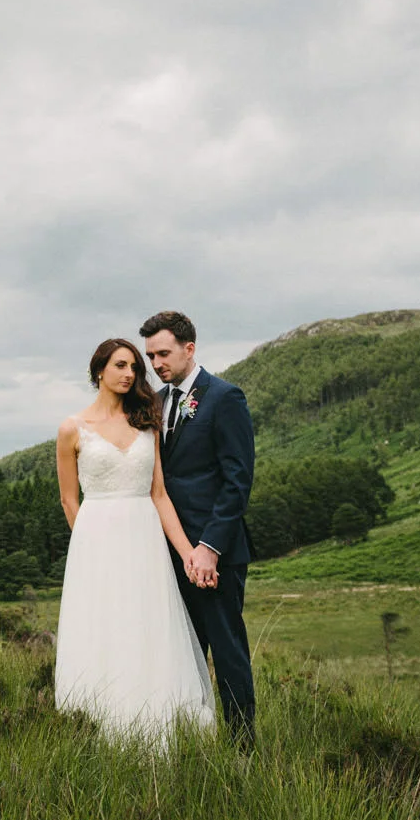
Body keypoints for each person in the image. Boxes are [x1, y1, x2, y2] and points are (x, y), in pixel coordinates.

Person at [54, 338, 215, 743]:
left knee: (148, 626)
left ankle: (155, 722)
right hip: (98, 546)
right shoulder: (72, 429)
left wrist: (188, 555)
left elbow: (159, 495)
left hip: (145, 543)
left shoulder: (147, 420)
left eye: (134, 367)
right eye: (121, 365)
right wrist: (91, 549)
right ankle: (102, 724)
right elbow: (69, 499)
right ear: (99, 372)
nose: (130, 374)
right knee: (104, 627)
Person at [141, 310, 257, 751]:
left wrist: (208, 547)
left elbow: (237, 480)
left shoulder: (224, 398)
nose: (156, 363)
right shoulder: (155, 401)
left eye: (163, 353)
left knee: (227, 653)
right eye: (150, 355)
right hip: (167, 552)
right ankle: (187, 741)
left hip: (215, 554)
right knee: (179, 654)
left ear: (190, 348)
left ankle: (242, 749)